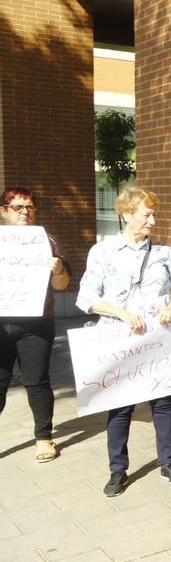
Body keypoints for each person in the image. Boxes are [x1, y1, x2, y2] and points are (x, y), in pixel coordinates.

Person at [76, 187, 171, 496]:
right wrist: (120, 313)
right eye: (146, 214)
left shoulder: (164, 252)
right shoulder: (103, 252)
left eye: (154, 214)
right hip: (118, 339)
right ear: (126, 214)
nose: (152, 220)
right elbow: (86, 298)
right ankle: (117, 470)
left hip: (157, 339)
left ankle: (168, 462)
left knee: (163, 403)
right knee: (120, 406)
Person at [0, 187, 70, 463]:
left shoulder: (47, 241)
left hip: (37, 324)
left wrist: (59, 270)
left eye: (29, 207)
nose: (25, 212)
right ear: (3, 211)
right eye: (18, 207)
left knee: (37, 382)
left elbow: (62, 286)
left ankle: (44, 438)